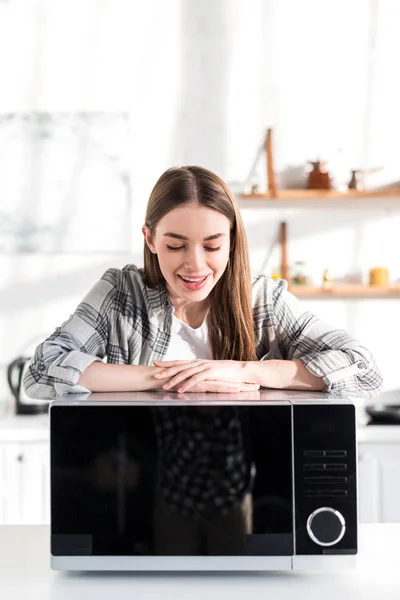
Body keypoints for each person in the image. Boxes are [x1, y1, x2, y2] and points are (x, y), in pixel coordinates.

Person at [23, 165, 383, 399]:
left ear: (231, 240)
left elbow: (362, 368)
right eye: (175, 245)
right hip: (141, 478)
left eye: (212, 246)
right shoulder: (121, 294)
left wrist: (239, 371)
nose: (195, 265)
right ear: (150, 239)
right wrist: (170, 377)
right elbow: (42, 369)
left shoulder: (263, 300)